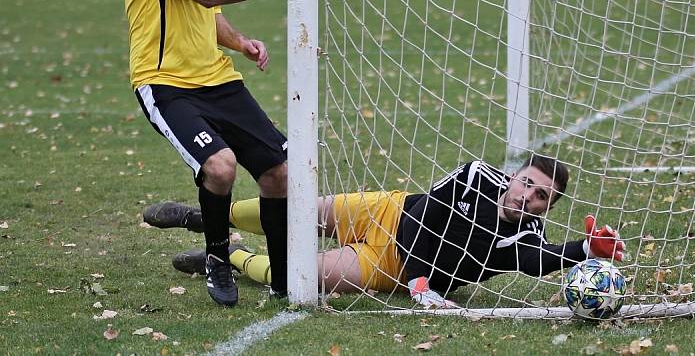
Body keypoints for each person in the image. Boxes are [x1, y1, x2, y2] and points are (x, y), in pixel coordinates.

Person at [123, 0, 305, 307]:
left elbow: (208, 11)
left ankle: (285, 278)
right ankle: (218, 257)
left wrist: (240, 42)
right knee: (220, 167)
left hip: (219, 78)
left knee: (280, 172)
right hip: (166, 84)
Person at [144, 155, 625, 308]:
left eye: (541, 196)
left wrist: (587, 248)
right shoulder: (477, 175)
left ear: (547, 207)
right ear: (516, 173)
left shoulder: (526, 238)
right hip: (388, 213)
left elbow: (539, 258)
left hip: (386, 267)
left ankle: (229, 255)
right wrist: (425, 283)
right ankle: (204, 219)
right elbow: (427, 223)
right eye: (527, 182)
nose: (527, 196)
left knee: (302, 275)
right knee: (297, 209)